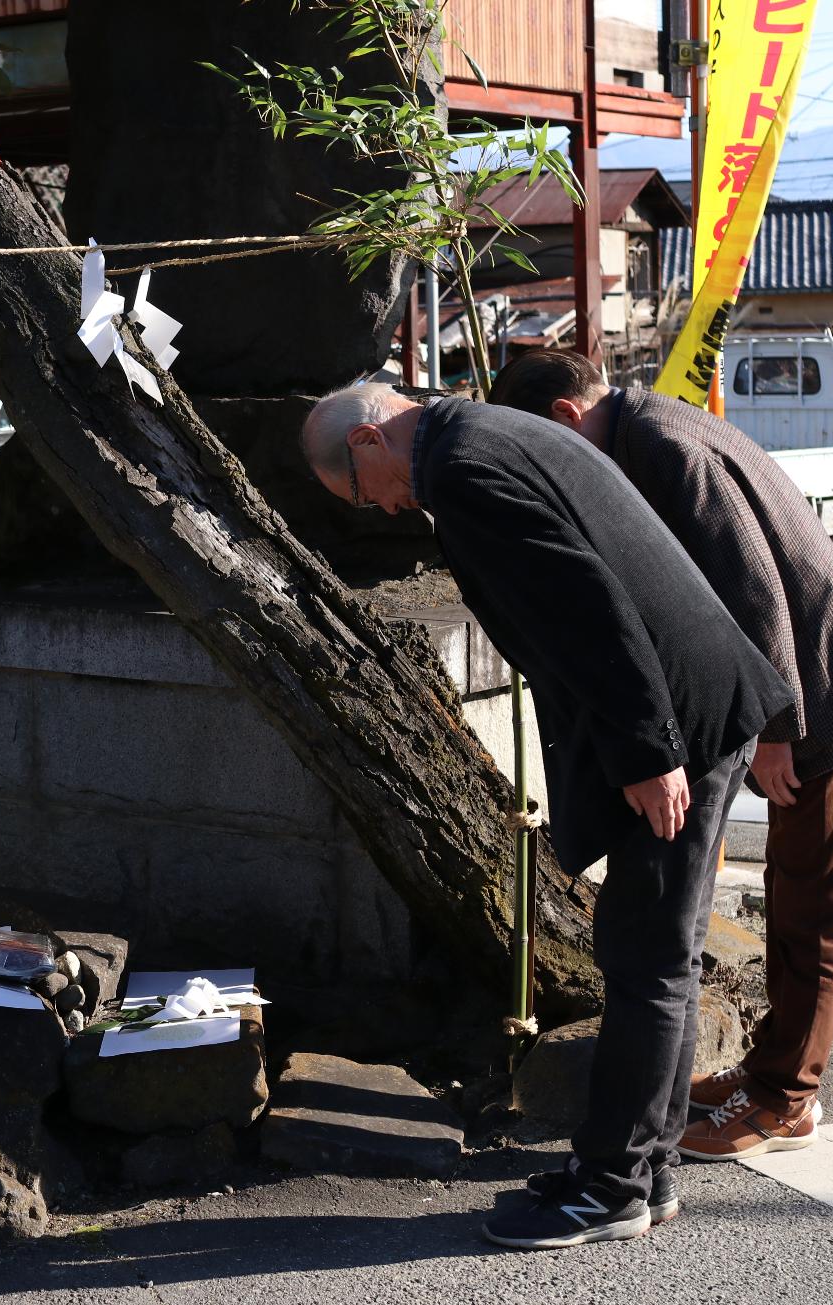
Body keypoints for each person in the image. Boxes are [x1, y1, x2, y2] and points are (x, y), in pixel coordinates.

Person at [301, 382, 795, 1249]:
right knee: (655, 951)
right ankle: (645, 1166)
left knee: (646, 955)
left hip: (674, 716)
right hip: (690, 699)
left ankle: (611, 1187)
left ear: (370, 439)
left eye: (358, 490)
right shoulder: (479, 433)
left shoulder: (459, 467)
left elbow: (583, 602)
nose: (380, 506)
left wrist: (647, 752)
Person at [489, 350, 833, 1164]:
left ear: (570, 418)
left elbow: (751, 584)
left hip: (826, 674)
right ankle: (770, 1074)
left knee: (815, 901)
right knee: (791, 885)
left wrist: (780, 726)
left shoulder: (658, 447)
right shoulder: (653, 424)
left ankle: (787, 1098)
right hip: (814, 663)